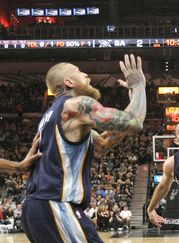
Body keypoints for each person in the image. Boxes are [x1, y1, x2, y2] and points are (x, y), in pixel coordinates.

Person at [21, 54, 147, 243]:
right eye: (80, 71)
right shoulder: (77, 104)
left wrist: (135, 100)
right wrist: (138, 86)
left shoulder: (51, 116)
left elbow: (104, 143)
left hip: (37, 208)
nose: (86, 74)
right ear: (69, 81)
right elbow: (134, 124)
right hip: (55, 204)